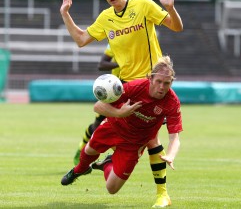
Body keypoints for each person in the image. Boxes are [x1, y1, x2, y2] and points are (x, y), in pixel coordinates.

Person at [60, 0, 183, 207]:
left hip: (153, 81)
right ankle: (105, 162)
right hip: (125, 86)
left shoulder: (144, 6)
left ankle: (162, 194)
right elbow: (81, 39)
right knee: (109, 124)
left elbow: (176, 27)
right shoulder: (106, 18)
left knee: (151, 138)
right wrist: (65, 14)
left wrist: (170, 7)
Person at [61, 56, 183, 207]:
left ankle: (107, 164)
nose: (162, 87)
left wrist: (171, 155)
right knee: (90, 150)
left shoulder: (172, 101)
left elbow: (174, 137)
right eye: (158, 81)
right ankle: (79, 170)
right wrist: (120, 113)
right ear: (150, 79)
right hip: (114, 127)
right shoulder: (135, 87)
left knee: (111, 189)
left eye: (167, 83)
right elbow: (98, 106)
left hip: (135, 143)